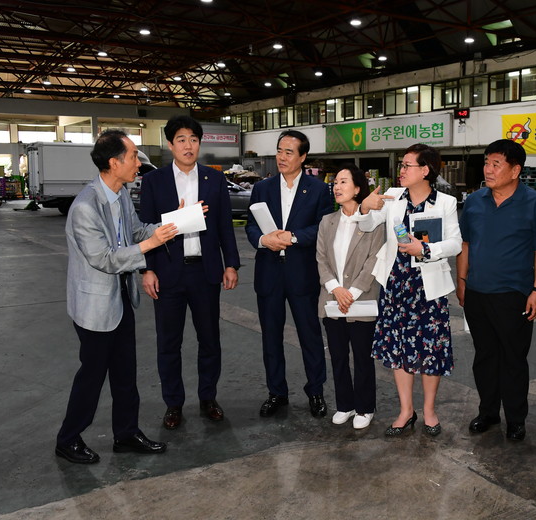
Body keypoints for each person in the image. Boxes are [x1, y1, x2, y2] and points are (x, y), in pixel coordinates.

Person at [55, 129, 178, 464]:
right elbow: (105, 259)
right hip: (94, 305)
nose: (139, 163)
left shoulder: (120, 194)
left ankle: (126, 433)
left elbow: (136, 232)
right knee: (92, 376)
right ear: (114, 163)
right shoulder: (85, 207)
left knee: (125, 373)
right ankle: (68, 439)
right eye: (134, 156)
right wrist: (151, 244)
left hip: (121, 298)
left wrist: (172, 223)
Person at [139, 116, 240, 430]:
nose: (188, 145)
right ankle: (174, 404)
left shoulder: (214, 179)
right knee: (169, 344)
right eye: (181, 139)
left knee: (210, 340)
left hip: (205, 273)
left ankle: (208, 398)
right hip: (168, 273)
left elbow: (224, 224)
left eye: (193, 139)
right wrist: (147, 269)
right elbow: (145, 229)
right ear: (170, 145)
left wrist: (231, 263)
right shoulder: (154, 181)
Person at [357, 143, 461, 437]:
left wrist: (425, 249)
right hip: (396, 285)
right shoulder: (392, 197)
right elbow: (367, 225)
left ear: (425, 170)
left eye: (407, 165)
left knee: (430, 350)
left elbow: (455, 243)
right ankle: (406, 410)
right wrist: (365, 206)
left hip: (429, 288)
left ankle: (429, 411)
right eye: (401, 165)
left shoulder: (445, 203)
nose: (401, 170)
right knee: (398, 348)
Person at [456, 139, 536, 441]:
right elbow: (465, 245)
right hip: (477, 292)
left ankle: (516, 418)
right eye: (487, 163)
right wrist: (462, 282)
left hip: (514, 294)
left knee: (513, 358)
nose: (488, 169)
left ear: (515, 170)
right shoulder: (474, 201)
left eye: (496, 164)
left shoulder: (535, 202)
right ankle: (487, 412)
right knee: (484, 356)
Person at [246, 130, 333, 418]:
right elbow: (251, 226)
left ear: (303, 157)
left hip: (302, 273)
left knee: (310, 336)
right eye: (279, 151)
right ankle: (276, 393)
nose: (282, 157)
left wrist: (293, 237)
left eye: (289, 152)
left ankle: (316, 392)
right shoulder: (262, 188)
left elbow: (323, 227)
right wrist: (264, 240)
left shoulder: (318, 189)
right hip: (269, 273)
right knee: (271, 337)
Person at [316, 165, 384, 429]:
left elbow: (374, 260)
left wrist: (352, 293)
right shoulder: (327, 221)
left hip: (361, 299)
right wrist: (336, 289)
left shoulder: (373, 221)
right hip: (332, 299)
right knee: (338, 356)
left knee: (362, 356)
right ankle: (345, 404)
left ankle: (365, 407)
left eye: (343, 182)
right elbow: (321, 259)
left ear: (357, 189)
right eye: (335, 182)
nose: (337, 186)